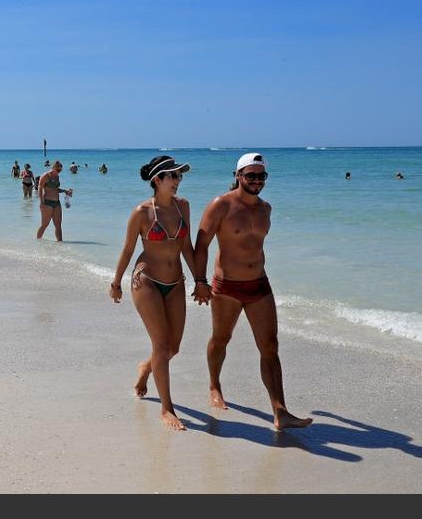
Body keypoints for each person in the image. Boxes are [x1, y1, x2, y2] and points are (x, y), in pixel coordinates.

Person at [191, 152, 312, 431]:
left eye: (261, 176)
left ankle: (280, 411)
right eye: (251, 175)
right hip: (226, 287)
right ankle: (214, 385)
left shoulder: (266, 209)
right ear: (238, 176)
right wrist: (199, 281)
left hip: (259, 284)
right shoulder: (220, 205)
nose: (257, 180)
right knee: (221, 338)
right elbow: (202, 245)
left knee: (270, 346)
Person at [110, 155, 193, 431]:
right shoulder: (141, 213)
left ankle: (145, 369)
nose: (178, 181)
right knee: (161, 344)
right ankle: (167, 408)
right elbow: (127, 249)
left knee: (174, 347)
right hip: (145, 281)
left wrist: (202, 280)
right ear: (157, 180)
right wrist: (116, 282)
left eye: (179, 176)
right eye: (172, 176)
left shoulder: (184, 207)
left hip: (176, 281)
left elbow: (187, 248)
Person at [36, 161, 73, 241]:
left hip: (57, 203)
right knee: (45, 224)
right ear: (53, 167)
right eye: (57, 169)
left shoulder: (57, 177)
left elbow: (55, 189)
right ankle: (37, 242)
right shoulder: (46, 175)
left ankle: (60, 244)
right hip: (47, 203)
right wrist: (41, 203)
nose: (59, 171)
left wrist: (65, 190)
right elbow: (40, 189)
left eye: (60, 170)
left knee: (58, 225)